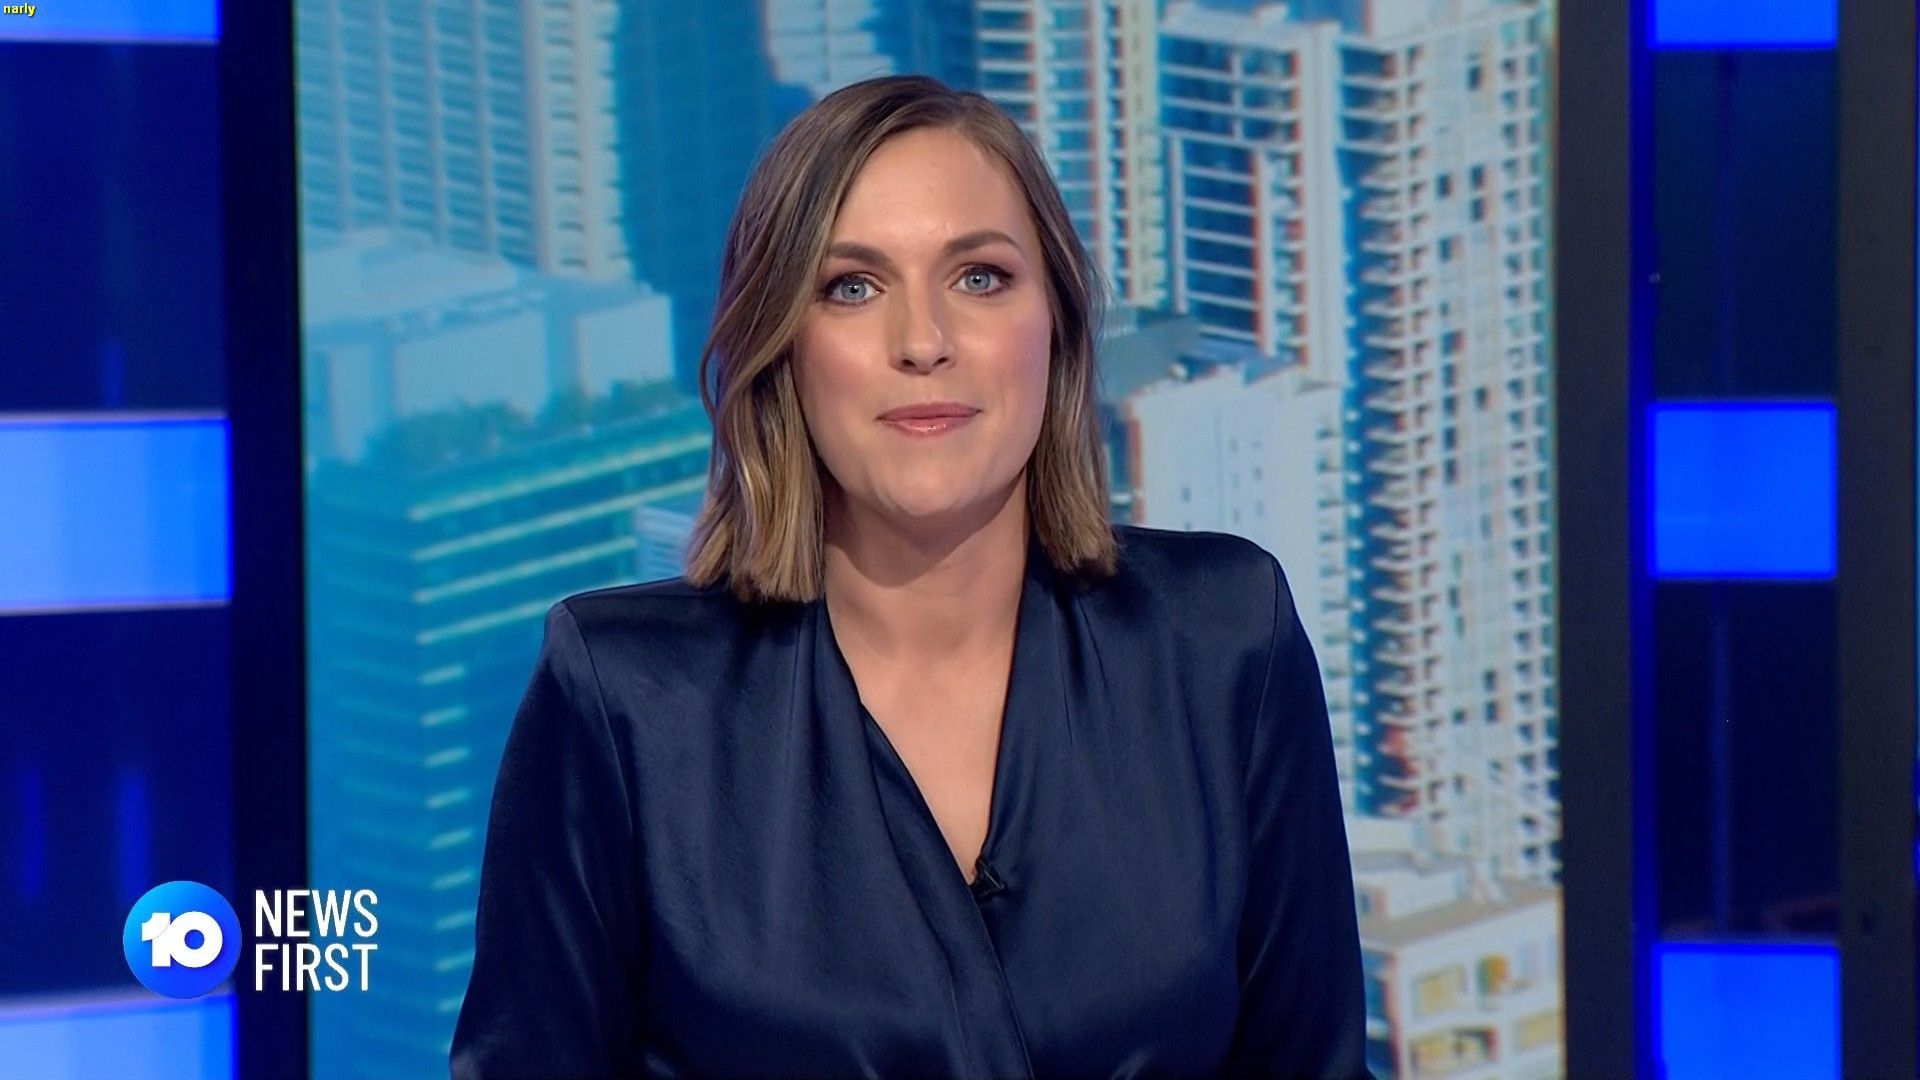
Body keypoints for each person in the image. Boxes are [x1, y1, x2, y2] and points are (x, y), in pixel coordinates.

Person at [450, 74, 1368, 1079]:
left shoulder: (1224, 639)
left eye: (979, 277)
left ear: (1057, 325)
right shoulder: (625, 699)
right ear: (782, 348)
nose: (923, 343)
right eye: (852, 287)